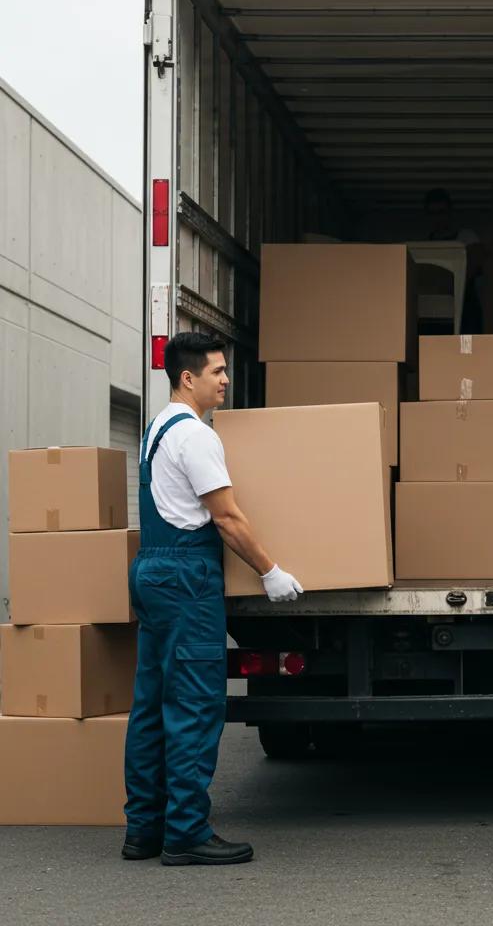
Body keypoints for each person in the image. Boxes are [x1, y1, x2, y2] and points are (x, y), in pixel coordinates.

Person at [122, 332, 304, 867]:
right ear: (188, 377)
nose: (226, 380)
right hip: (185, 577)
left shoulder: (156, 427)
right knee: (194, 706)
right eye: (218, 371)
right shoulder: (196, 437)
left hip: (153, 571)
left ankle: (144, 829)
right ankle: (185, 834)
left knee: (152, 707)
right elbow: (226, 516)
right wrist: (270, 571)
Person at [423, 187, 483, 333]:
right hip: (436, 310)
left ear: (450, 213)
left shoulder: (466, 238)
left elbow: (475, 263)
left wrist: (449, 283)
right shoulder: (425, 245)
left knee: (466, 349)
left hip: (464, 309)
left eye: (441, 212)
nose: (437, 218)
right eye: (433, 213)